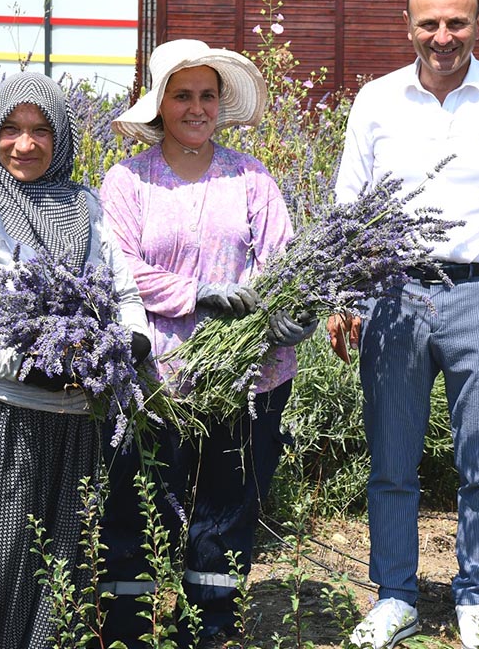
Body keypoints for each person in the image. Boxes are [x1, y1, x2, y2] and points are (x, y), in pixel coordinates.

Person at [327, 0, 479, 649]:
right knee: (390, 459)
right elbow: (349, 205)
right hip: (393, 295)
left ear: (478, 24)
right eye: (430, 23)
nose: (443, 36)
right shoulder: (375, 101)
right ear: (409, 26)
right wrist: (344, 293)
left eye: (456, 22)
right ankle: (396, 594)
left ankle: (476, 595)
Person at [0, 71, 150, 648]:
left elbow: (125, 294)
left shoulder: (85, 206)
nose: (26, 144)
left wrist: (130, 342)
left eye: (42, 129)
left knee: (54, 584)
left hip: (70, 426)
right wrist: (24, 364)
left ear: (61, 137)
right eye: (11, 129)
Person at [100, 38, 317, 643]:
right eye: (182, 95)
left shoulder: (250, 177)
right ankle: (130, 627)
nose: (197, 108)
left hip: (249, 373)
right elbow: (115, 268)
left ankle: (210, 626)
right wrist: (196, 293)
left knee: (227, 506)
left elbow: (285, 260)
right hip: (158, 376)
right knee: (141, 502)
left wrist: (289, 312)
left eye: (208, 96)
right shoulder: (128, 181)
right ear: (159, 106)